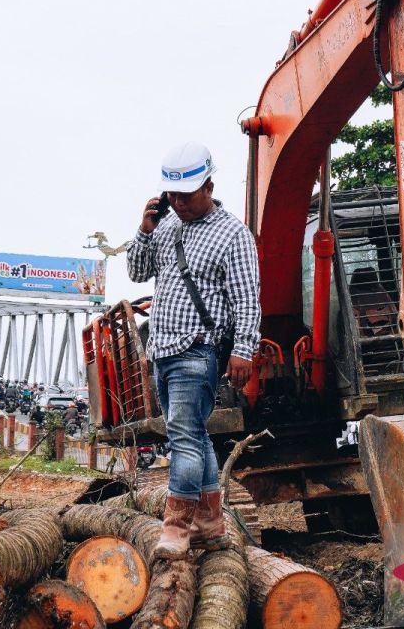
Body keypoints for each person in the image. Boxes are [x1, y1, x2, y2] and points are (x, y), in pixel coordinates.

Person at [127, 141, 261, 560]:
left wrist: (244, 350)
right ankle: (210, 526)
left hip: (197, 352)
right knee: (195, 436)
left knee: (182, 440)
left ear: (209, 186)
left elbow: (248, 299)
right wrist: (145, 230)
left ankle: (176, 529)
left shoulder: (232, 234)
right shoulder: (167, 226)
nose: (179, 203)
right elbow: (136, 272)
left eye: (186, 195)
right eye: (172, 196)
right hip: (162, 350)